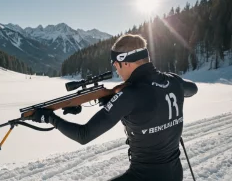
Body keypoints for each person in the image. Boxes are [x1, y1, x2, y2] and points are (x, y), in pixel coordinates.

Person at [30, 34, 198, 181]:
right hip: (175, 174)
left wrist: (49, 117)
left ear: (125, 62)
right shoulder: (174, 81)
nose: (115, 69)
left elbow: (83, 135)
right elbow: (192, 89)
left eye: (115, 63)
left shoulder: (129, 94)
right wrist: (111, 99)